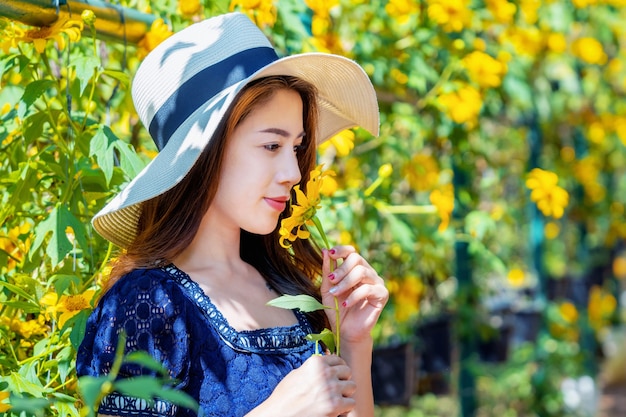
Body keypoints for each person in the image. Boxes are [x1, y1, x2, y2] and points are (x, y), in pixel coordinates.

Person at [77, 12, 388, 417]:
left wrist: (353, 342)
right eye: (271, 147)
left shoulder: (289, 290)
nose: (294, 173)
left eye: (296, 148)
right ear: (205, 153)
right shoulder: (148, 303)